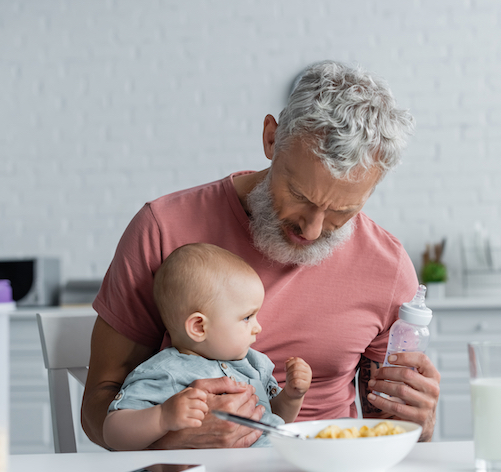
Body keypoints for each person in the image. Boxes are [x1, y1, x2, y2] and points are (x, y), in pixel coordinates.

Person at [83, 60, 441, 450]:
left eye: (342, 212)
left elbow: (386, 431)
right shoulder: (163, 229)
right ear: (271, 138)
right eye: (300, 196)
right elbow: (98, 408)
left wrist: (419, 424)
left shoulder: (388, 269)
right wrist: (175, 442)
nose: (312, 230)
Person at [102, 243, 312, 451]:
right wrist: (162, 417)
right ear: (199, 327)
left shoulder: (255, 364)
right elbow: (113, 432)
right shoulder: (165, 372)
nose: (258, 327)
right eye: (247, 317)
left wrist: (292, 396)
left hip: (272, 462)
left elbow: (274, 419)